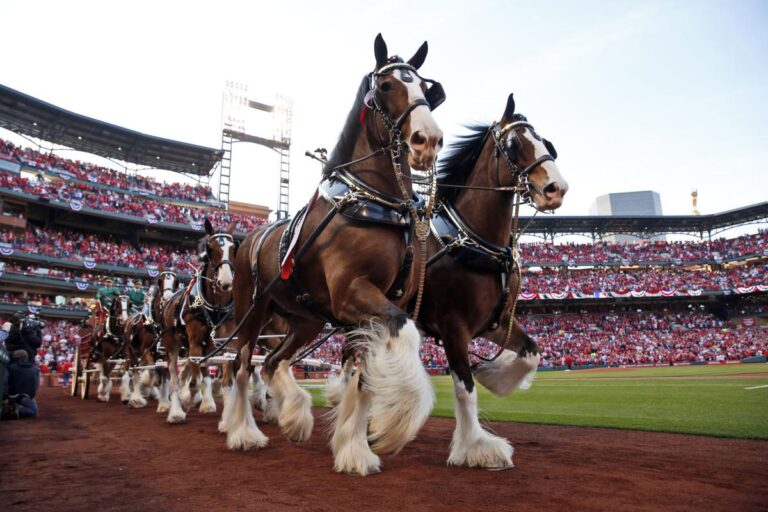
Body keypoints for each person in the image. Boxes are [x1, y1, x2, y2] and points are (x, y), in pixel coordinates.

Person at [2, 349, 40, 419]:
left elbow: (4, 383)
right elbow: (36, 386)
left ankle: (9, 409)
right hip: (27, 397)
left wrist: (5, 397)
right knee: (33, 411)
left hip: (11, 397)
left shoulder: (10, 367)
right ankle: (17, 409)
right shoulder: (35, 369)